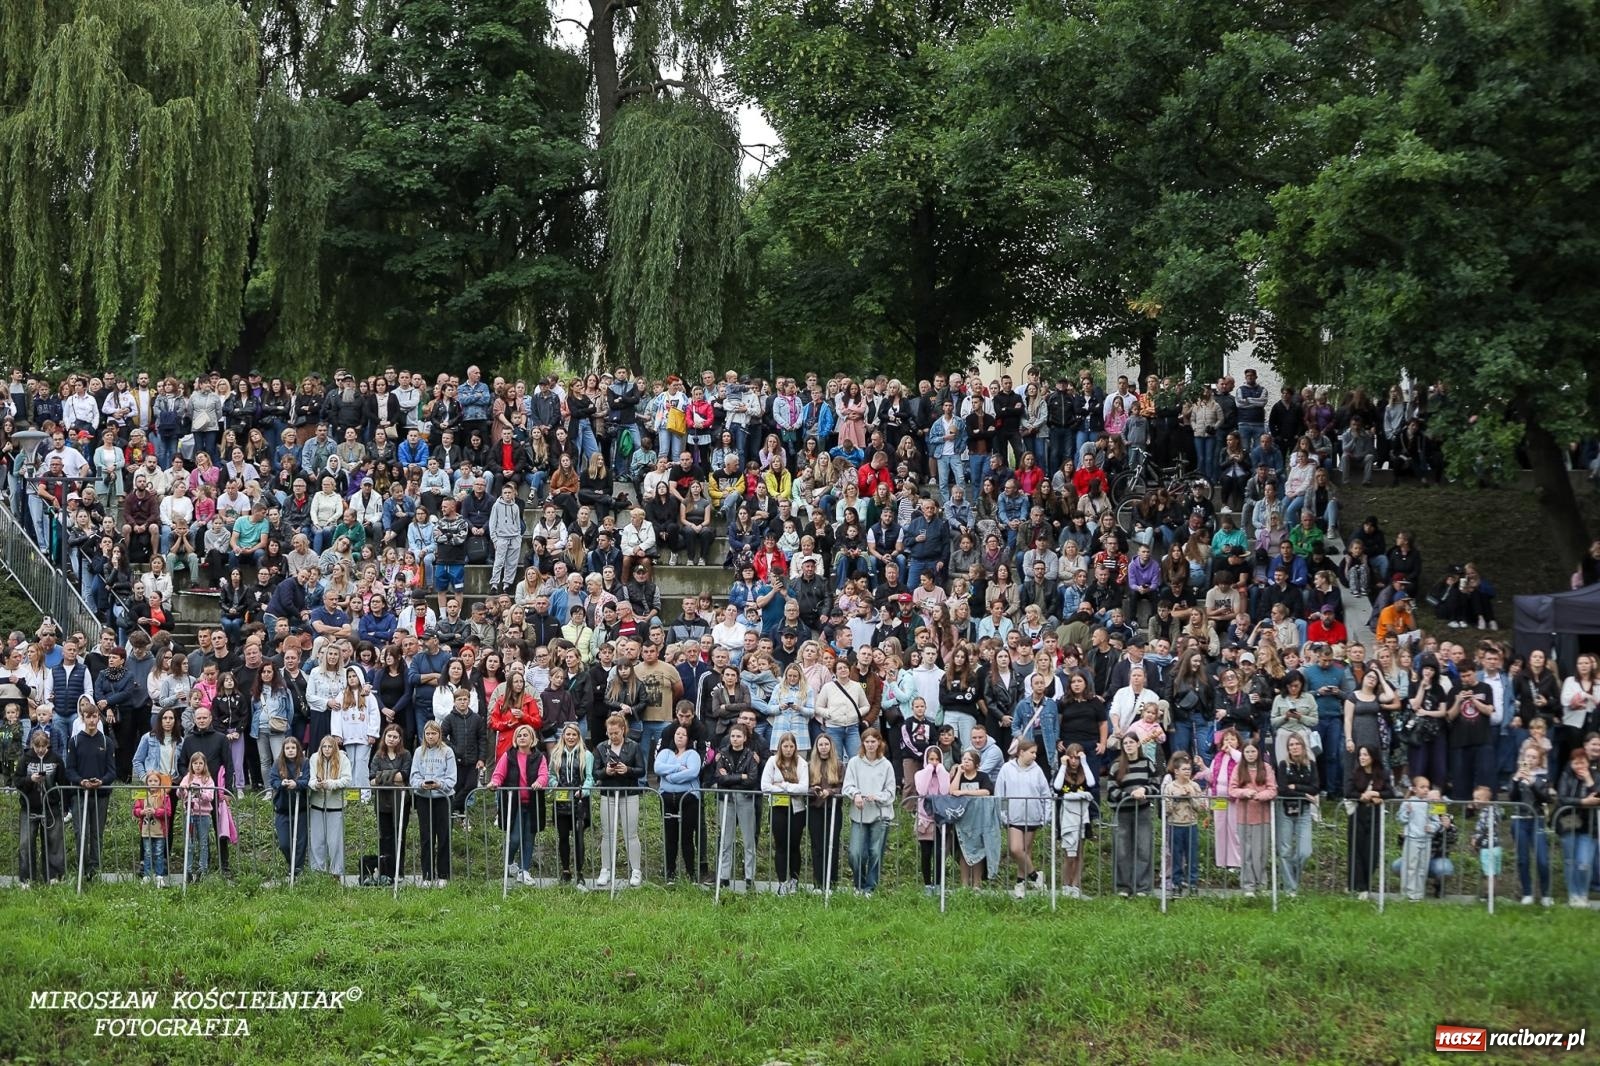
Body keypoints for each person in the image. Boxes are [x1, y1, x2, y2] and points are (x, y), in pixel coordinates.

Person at [490, 724, 548, 886]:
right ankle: (508, 864)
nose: (522, 738)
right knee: (515, 838)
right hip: (513, 804)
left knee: (529, 838)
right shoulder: (508, 756)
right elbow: (499, 774)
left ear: (532, 738)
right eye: (519, 735)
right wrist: (494, 782)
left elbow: (544, 774)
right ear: (515, 739)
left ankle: (524, 870)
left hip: (532, 804)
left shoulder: (539, 757)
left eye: (525, 735)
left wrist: (539, 782)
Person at [995, 738, 1053, 899]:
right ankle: (1035, 876)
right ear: (1021, 752)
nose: (1035, 756)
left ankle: (1020, 883)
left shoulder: (1037, 770)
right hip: (1013, 816)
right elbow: (1000, 793)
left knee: (1025, 852)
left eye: (1036, 753)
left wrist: (1045, 815)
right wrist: (1002, 814)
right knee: (1015, 849)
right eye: (1032, 752)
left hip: (1032, 816)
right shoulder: (1007, 769)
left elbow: (1045, 794)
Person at [65, 704, 116, 883]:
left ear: (98, 718)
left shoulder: (106, 742)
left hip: (100, 795)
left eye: (95, 717)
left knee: (96, 833)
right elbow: (69, 769)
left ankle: (94, 869)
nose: (92, 720)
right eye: (88, 717)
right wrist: (81, 781)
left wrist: (102, 782)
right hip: (80, 793)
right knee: (81, 832)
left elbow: (112, 771)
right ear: (83, 718)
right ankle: (82, 867)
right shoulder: (75, 741)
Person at [842, 727, 895, 896]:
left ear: (879, 742)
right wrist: (856, 794)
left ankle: (870, 887)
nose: (870, 745)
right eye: (867, 742)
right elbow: (847, 786)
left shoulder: (886, 765)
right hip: (860, 814)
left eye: (873, 741)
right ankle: (859, 883)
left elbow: (891, 791)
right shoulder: (854, 762)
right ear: (863, 743)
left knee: (875, 852)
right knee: (855, 853)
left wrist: (878, 796)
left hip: (881, 814)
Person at [594, 713, 645, 888]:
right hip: (608, 794)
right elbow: (595, 771)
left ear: (623, 730)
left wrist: (628, 769)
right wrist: (605, 772)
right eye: (610, 733)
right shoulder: (601, 747)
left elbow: (641, 770)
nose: (613, 736)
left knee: (631, 833)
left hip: (629, 793)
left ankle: (636, 870)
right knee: (607, 833)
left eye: (616, 733)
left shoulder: (634, 746)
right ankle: (605, 869)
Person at [16, 728, 68, 885]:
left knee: (54, 842)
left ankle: (54, 877)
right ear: (32, 744)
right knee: (25, 843)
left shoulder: (56, 759)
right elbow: (16, 781)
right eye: (37, 747)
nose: (40, 750)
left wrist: (64, 806)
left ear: (48, 744)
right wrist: (29, 779)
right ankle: (26, 879)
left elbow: (63, 783)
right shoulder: (25, 759)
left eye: (43, 747)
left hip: (51, 806)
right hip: (29, 807)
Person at [762, 731, 811, 895]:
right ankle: (782, 882)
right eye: (785, 746)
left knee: (794, 845)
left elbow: (804, 788)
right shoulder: (772, 761)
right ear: (780, 747)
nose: (788, 749)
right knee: (781, 846)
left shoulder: (802, 763)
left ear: (795, 747)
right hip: (778, 808)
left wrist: (783, 785)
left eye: (791, 746)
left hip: (797, 809)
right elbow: (765, 786)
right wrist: (790, 787)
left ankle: (794, 881)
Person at [713, 721, 761, 890]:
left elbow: (752, 779)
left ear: (745, 738)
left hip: (745, 799)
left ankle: (749, 877)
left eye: (738, 736)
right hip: (727, 799)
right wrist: (741, 776)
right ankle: (724, 876)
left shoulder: (750, 755)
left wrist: (731, 777)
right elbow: (720, 778)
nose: (735, 739)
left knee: (748, 840)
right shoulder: (722, 754)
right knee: (726, 840)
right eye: (733, 736)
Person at [654, 722, 703, 885]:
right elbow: (657, 767)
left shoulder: (693, 754)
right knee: (670, 837)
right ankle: (670, 871)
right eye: (677, 734)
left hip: (688, 799)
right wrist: (678, 768)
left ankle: (690, 872)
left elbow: (693, 772)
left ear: (688, 738)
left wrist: (670, 776)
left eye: (683, 734)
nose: (680, 737)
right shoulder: (665, 753)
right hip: (667, 799)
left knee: (687, 837)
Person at [411, 719, 457, 887]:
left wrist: (440, 784)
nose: (430, 736)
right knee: (426, 837)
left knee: (443, 836)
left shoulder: (447, 752)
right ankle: (427, 875)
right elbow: (414, 775)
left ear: (439, 735)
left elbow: (452, 777)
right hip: (424, 798)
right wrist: (420, 785)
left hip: (443, 798)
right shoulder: (418, 752)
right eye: (428, 733)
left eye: (433, 733)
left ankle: (443, 875)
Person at [1107, 732, 1154, 897]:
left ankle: (1142, 887)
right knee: (1122, 851)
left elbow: (1156, 784)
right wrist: (1128, 795)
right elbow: (1111, 790)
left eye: (1131, 742)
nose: (1128, 745)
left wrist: (1145, 790)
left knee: (1144, 849)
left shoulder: (1147, 763)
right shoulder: (1116, 765)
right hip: (1122, 812)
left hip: (1142, 811)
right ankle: (1123, 887)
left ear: (1138, 744)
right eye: (1125, 743)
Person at [1506, 743, 1553, 907]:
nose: (1530, 760)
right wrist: (1516, 779)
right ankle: (1527, 892)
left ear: (1539, 760)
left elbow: (1547, 798)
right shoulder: (1516, 776)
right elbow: (1511, 798)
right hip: (1519, 819)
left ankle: (1546, 894)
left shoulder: (1543, 777)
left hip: (1537, 819)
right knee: (1523, 859)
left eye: (1534, 757)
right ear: (1523, 758)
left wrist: (1533, 782)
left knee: (1542, 859)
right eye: (1528, 756)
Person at [1275, 733, 1320, 898]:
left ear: (1302, 746)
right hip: (1285, 810)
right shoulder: (1283, 765)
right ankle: (1290, 889)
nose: (1294, 747)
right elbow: (1283, 789)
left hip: (1304, 812)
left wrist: (1296, 787)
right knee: (1285, 850)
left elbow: (1315, 788)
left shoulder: (1311, 765)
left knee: (1305, 852)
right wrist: (1304, 793)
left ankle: (1289, 878)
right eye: (1291, 745)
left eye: (1296, 744)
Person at [1345, 744, 1394, 899]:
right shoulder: (1356, 773)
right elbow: (1348, 791)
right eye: (1360, 755)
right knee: (1356, 851)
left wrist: (1376, 793)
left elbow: (1390, 792)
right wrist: (1361, 797)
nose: (1362, 758)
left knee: (1371, 853)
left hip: (1374, 816)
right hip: (1357, 815)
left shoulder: (1382, 774)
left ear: (1372, 756)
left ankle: (1364, 883)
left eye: (1365, 755)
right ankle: (1360, 886)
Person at [549, 723, 594, 886]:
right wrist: (554, 784)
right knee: (563, 837)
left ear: (578, 736)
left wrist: (585, 790)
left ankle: (580, 872)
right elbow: (551, 775)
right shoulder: (556, 754)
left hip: (579, 800)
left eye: (574, 735)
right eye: (568, 734)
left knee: (579, 837)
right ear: (563, 736)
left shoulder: (586, 755)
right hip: (561, 801)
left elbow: (590, 777)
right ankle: (566, 870)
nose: (570, 737)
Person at [1232, 738, 1278, 898]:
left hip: (1262, 816)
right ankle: (1248, 885)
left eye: (1253, 751)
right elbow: (1232, 790)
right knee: (1246, 852)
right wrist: (1245, 792)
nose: (1250, 754)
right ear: (1243, 753)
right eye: (1247, 752)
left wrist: (1260, 795)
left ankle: (1261, 884)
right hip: (1243, 817)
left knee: (1261, 853)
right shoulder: (1238, 769)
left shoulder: (1266, 768)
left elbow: (1273, 789)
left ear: (1258, 752)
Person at [1555, 744, 1599, 908]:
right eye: (1576, 763)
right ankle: (1573, 896)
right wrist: (1583, 802)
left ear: (1588, 762)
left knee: (1584, 863)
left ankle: (1583, 894)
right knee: (1569, 861)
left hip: (1589, 825)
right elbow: (1562, 798)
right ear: (1571, 764)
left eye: (1582, 762)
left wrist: (1589, 780)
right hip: (1569, 823)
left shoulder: (1596, 776)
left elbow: (1598, 797)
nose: (1579, 766)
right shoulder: (1566, 775)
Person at [1052, 744, 1095, 898]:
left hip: (1082, 815)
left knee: (1079, 853)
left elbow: (1091, 784)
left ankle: (1076, 885)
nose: (1074, 761)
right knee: (1069, 853)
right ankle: (1065, 884)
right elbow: (1057, 787)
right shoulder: (1063, 772)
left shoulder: (1084, 770)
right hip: (1067, 815)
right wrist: (1063, 766)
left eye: (1077, 757)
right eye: (1072, 757)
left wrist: (1084, 762)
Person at [369, 724, 410, 882]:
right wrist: (393, 776)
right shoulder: (378, 756)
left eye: (395, 737)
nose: (391, 739)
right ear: (384, 737)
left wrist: (382, 777)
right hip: (382, 802)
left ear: (400, 739)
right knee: (384, 837)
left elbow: (404, 775)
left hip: (401, 802)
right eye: (389, 736)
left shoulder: (405, 755)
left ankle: (399, 872)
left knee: (399, 836)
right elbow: (372, 779)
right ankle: (385, 872)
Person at [1162, 752, 1206, 896]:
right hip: (1175, 825)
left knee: (1192, 856)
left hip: (1191, 825)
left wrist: (1191, 797)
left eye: (1189, 769)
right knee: (1176, 856)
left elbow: (1200, 808)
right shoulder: (1169, 787)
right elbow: (1166, 809)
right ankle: (1176, 884)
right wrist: (1176, 798)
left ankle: (1193, 884)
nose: (1187, 771)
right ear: (1176, 771)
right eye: (1184, 769)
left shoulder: (1195, 786)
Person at [307, 734, 350, 878]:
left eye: (329, 746)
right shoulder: (314, 758)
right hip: (317, 803)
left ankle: (336, 872)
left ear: (334, 747)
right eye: (324, 746)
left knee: (335, 842)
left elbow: (347, 779)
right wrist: (316, 785)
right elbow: (311, 779)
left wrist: (331, 783)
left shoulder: (343, 758)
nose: (326, 749)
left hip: (335, 804)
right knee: (316, 840)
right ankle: (317, 871)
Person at [807, 733, 845, 892]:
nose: (823, 747)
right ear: (817, 747)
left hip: (833, 809)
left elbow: (843, 786)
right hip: (815, 809)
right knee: (817, 846)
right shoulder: (809, 765)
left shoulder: (839, 765)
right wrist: (812, 790)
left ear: (831, 746)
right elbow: (804, 785)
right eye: (820, 744)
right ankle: (818, 883)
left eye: (826, 744)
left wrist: (830, 791)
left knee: (832, 846)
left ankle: (832, 883)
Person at [1396, 774, 1440, 902]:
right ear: (1414, 789)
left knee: (1422, 867)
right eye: (1422, 787)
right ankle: (1408, 893)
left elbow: (1436, 821)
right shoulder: (1408, 802)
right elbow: (1400, 819)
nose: (1426, 789)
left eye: (1428, 787)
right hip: (1412, 839)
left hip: (1426, 839)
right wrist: (1407, 812)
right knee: (1410, 867)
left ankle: (1419, 894)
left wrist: (1431, 827)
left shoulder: (1430, 803)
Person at [269, 736, 310, 874]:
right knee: (284, 843)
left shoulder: (305, 763)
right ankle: (291, 863)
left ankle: (298, 867)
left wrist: (296, 784)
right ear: (283, 750)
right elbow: (273, 780)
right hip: (282, 809)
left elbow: (308, 780)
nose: (290, 750)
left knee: (300, 841)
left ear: (298, 749)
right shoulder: (278, 764)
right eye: (287, 748)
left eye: (293, 748)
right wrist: (282, 784)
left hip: (301, 809)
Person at [177, 751, 217, 881]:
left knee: (203, 843)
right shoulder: (187, 777)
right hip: (190, 814)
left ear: (204, 764)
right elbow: (179, 793)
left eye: (200, 763)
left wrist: (199, 793)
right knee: (189, 842)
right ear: (191, 764)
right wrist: (182, 789)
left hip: (203, 815)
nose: (198, 766)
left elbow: (210, 796)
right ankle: (187, 870)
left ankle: (202, 869)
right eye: (195, 763)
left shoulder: (208, 779)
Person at [133, 772, 172, 886]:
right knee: (147, 853)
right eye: (150, 781)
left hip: (160, 831)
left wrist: (156, 812)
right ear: (146, 782)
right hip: (146, 830)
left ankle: (159, 876)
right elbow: (135, 810)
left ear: (160, 782)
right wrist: (141, 812)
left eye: (155, 781)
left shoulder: (164, 796)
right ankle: (147, 875)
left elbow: (168, 812)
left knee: (159, 853)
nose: (153, 783)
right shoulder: (141, 796)